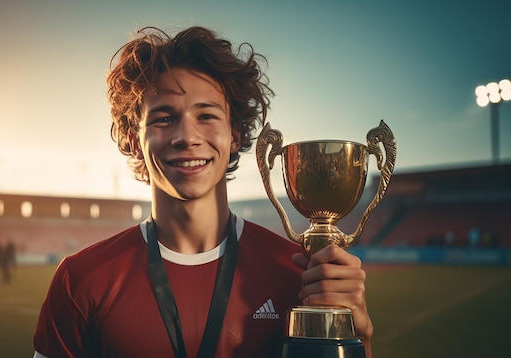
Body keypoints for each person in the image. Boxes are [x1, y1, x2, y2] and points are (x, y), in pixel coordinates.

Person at [33, 26, 373, 357]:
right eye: (164, 118)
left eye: (206, 115)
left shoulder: (300, 277)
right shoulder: (79, 279)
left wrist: (359, 338)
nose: (187, 136)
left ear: (235, 136)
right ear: (136, 141)